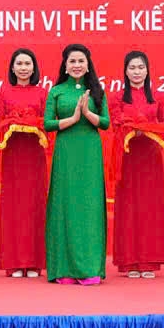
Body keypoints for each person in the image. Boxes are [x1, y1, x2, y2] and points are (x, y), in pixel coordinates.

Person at [44, 43, 111, 285]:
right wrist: (72, 118)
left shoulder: (97, 91)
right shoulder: (56, 91)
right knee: (65, 206)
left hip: (90, 153)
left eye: (81, 61)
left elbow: (106, 123)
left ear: (88, 64)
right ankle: (64, 268)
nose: (76, 65)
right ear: (65, 65)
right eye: (72, 61)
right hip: (66, 152)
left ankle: (90, 268)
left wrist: (88, 114)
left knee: (89, 209)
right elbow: (47, 124)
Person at [109, 51, 164, 279]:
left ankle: (149, 261)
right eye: (132, 68)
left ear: (147, 70)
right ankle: (129, 262)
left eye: (141, 67)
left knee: (149, 208)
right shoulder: (117, 97)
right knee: (128, 206)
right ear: (125, 71)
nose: (137, 72)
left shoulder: (157, 97)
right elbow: (115, 122)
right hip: (127, 156)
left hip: (150, 158)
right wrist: (130, 127)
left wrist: (148, 128)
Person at [0, 48, 49, 278]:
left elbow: (48, 122)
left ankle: (34, 263)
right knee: (14, 205)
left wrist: (32, 122)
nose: (23, 68)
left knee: (35, 203)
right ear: (12, 68)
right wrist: (13, 121)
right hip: (13, 154)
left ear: (34, 68)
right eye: (19, 64)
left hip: (34, 154)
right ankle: (14, 262)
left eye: (27, 64)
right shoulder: (4, 92)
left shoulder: (43, 92)